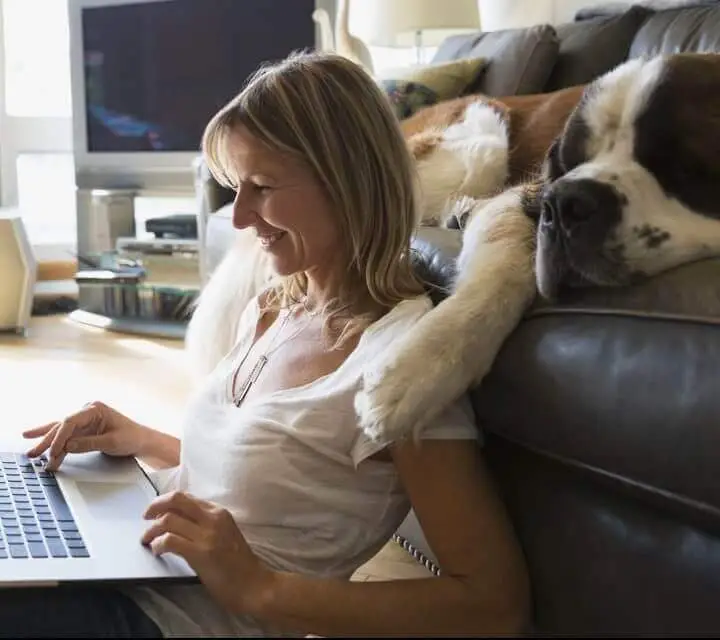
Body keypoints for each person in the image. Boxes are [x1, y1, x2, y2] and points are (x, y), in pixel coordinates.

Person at [13, 51, 530, 638]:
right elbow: (276, 483)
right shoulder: (276, 306)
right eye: (236, 187)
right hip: (136, 577)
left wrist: (260, 589)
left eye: (260, 187)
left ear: (346, 181)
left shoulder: (403, 365)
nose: (238, 217)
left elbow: (494, 604)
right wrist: (140, 439)